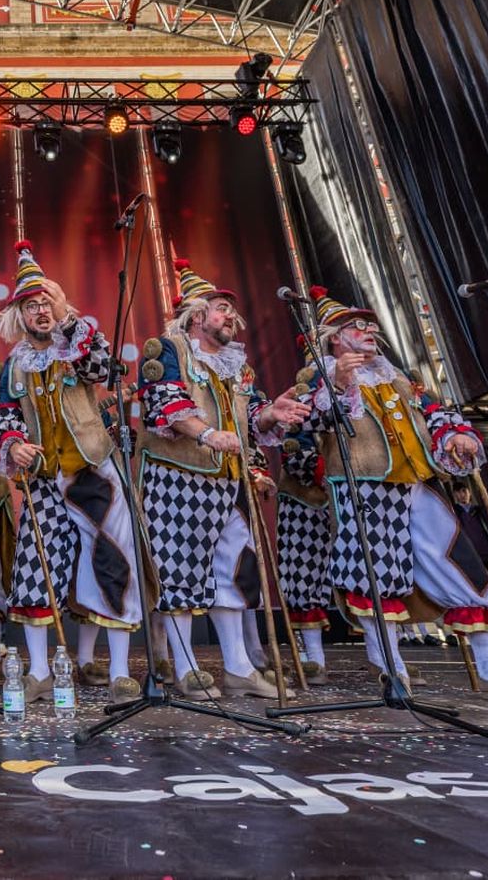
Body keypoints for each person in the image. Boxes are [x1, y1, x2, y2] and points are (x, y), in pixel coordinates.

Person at [297, 287, 488, 705]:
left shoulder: (400, 379)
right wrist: (338, 383)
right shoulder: (318, 376)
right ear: (335, 337)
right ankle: (390, 668)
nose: (370, 331)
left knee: (462, 569)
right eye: (358, 326)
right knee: (374, 576)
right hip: (365, 487)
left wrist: (456, 436)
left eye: (371, 325)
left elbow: (438, 413)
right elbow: (311, 422)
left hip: (418, 485)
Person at [136, 258, 310, 700]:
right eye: (220, 309)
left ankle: (237, 666)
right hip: (178, 475)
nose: (230, 316)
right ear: (197, 316)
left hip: (229, 482)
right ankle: (187, 667)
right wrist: (208, 434)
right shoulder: (168, 349)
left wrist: (271, 414)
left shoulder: (238, 366)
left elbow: (251, 415)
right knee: (180, 569)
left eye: (231, 311)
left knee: (235, 570)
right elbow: (163, 404)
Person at [0, 240, 144, 704]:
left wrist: (69, 320)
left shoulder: (77, 346)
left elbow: (103, 367)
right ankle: (38, 672)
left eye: (46, 304)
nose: (40, 312)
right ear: (20, 315)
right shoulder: (15, 364)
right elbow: (7, 414)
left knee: (112, 564)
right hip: (43, 479)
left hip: (93, 472)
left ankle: (118, 671)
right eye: (31, 306)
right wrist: (13, 443)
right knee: (34, 569)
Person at [276, 430, 335, 682]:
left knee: (375, 579)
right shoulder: (304, 402)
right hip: (306, 502)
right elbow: (296, 459)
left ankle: (386, 660)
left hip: (352, 500)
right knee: (303, 579)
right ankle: (311, 659)